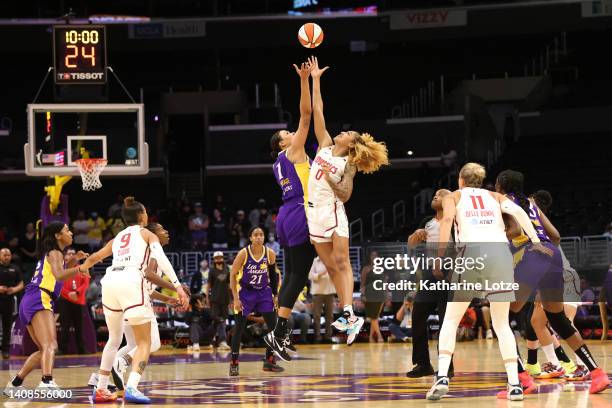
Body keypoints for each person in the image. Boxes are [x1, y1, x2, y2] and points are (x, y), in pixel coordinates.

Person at [426, 163, 548, 401]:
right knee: (502, 323)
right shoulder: (495, 196)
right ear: (481, 181)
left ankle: (442, 376)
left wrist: (440, 256)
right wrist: (535, 240)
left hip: (471, 255)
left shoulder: (454, 196)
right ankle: (514, 384)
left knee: (451, 319)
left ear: (461, 179)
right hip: (500, 255)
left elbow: (447, 220)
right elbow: (521, 213)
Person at [496, 170, 609, 395]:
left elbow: (515, 231)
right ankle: (597, 374)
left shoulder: (504, 203)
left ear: (500, 186)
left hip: (531, 254)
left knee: (503, 316)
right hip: (552, 254)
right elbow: (555, 235)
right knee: (557, 320)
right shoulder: (531, 203)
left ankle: (521, 379)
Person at [306, 56, 389, 345]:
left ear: (351, 144)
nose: (342, 132)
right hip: (312, 213)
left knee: (341, 261)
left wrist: (329, 180)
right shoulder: (325, 145)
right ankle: (349, 315)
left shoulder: (347, 165)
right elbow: (318, 111)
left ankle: (350, 313)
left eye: (348, 133)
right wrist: (315, 80)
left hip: (332, 210)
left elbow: (345, 194)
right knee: (329, 267)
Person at [80, 197, 189, 403]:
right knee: (145, 342)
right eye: (146, 212)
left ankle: (101, 388)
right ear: (141, 216)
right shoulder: (146, 233)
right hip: (131, 281)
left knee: (113, 339)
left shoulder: (118, 237)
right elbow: (162, 259)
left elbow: (95, 258)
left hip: (110, 282)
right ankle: (132, 387)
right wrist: (177, 287)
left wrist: (82, 269)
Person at [264, 59, 318, 361]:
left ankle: (279, 333)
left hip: (286, 215)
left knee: (297, 276)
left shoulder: (278, 162)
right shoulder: (293, 150)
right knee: (299, 275)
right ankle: (278, 332)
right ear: (282, 142)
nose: (291, 132)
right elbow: (306, 114)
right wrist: (304, 80)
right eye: (286, 132)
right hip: (298, 211)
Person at [4, 222, 88, 392]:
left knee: (44, 348)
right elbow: (59, 275)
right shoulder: (55, 252)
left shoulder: (55, 254)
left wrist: (73, 261)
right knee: (50, 345)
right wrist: (81, 268)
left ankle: (14, 384)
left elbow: (57, 274)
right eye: (67, 230)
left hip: (30, 299)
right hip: (39, 297)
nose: (71, 232)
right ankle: (47, 382)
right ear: (58, 236)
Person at [109, 223, 185, 391]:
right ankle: (122, 363)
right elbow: (149, 274)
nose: (166, 231)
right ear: (153, 234)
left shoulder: (141, 252)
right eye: (162, 229)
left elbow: (148, 288)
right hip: (136, 300)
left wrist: (168, 299)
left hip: (124, 297)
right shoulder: (152, 251)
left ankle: (106, 373)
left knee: (131, 345)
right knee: (152, 343)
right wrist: (175, 288)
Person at [406, 189, 454, 378]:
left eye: (441, 195)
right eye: (435, 194)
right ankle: (423, 364)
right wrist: (415, 235)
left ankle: (447, 366)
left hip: (450, 273)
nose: (436, 196)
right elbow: (410, 244)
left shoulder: (455, 221)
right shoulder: (427, 222)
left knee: (446, 322)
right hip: (429, 274)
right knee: (417, 316)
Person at [229, 226, 282, 376]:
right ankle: (234, 361)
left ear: (264, 238)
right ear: (251, 238)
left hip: (264, 292)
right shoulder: (243, 254)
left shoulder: (270, 253)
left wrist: (275, 295)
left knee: (274, 327)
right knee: (238, 329)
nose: (259, 237)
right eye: (255, 235)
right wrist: (236, 298)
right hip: (246, 293)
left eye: (261, 235)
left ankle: (269, 359)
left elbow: (273, 276)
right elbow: (232, 275)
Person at [58, 247, 90, 355]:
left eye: (73, 253)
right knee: (64, 326)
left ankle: (82, 349)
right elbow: (59, 285)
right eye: (69, 253)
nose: (71, 255)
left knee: (79, 326)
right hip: (65, 301)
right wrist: (68, 294)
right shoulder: (62, 269)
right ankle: (63, 349)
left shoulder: (83, 268)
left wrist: (76, 293)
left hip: (79, 300)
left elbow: (85, 284)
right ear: (65, 256)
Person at [0, 248, 24, 358]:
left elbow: (21, 283)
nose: (7, 257)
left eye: (8, 255)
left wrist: (13, 290)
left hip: (8, 300)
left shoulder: (15, 268)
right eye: (4, 255)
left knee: (7, 326)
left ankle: (5, 350)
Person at [206, 251, 231, 350]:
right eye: (216, 258)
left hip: (225, 299)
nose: (218, 260)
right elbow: (208, 286)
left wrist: (233, 298)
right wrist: (207, 298)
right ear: (214, 260)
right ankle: (222, 341)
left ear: (222, 258)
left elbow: (229, 285)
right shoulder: (211, 271)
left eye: (220, 258)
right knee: (218, 319)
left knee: (221, 320)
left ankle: (210, 340)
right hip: (215, 299)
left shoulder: (227, 269)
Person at [309, 256, 336, 343]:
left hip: (330, 291)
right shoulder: (314, 261)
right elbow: (310, 275)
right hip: (317, 292)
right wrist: (321, 274)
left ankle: (328, 337)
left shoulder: (332, 260)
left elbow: (337, 274)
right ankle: (317, 337)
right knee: (316, 316)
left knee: (330, 316)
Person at [360, 251, 384, 343]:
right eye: (372, 255)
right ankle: (379, 336)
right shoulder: (366, 269)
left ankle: (371, 337)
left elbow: (384, 282)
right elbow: (362, 284)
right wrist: (362, 295)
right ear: (369, 257)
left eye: (376, 255)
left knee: (375, 317)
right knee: (373, 317)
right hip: (369, 295)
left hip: (380, 294)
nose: (374, 257)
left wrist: (386, 295)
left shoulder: (381, 268)